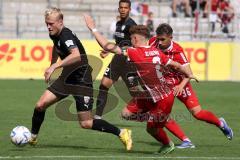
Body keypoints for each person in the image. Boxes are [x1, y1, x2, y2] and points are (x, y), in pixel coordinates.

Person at [84, 14, 198, 154]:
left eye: (131, 39)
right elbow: (176, 64)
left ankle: (168, 143)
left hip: (163, 99)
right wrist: (189, 74)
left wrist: (93, 29)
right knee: (126, 114)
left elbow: (108, 46)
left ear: (136, 39)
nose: (130, 41)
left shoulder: (135, 52)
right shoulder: (156, 51)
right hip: (149, 94)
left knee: (151, 129)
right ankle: (158, 121)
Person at [28, 7, 133, 151]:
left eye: (51, 23)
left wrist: (55, 67)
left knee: (86, 123)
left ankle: (122, 133)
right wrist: (52, 63)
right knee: (40, 105)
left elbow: (76, 54)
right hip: (67, 77)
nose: (48, 26)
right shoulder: (54, 33)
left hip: (81, 80)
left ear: (60, 22)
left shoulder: (66, 35)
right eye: (47, 23)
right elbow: (56, 47)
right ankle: (32, 137)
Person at [149, 23, 233, 148]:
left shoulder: (177, 51)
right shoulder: (153, 43)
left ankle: (220, 124)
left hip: (180, 83)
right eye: (158, 39)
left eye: (163, 39)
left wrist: (181, 86)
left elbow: (189, 74)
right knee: (160, 114)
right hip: (165, 85)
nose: (159, 42)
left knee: (197, 113)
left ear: (171, 37)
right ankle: (186, 141)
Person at [94, 0, 138, 119]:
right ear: (118, 9)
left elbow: (136, 44)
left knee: (134, 92)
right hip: (117, 60)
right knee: (104, 85)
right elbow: (119, 43)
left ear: (129, 10)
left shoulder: (132, 26)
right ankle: (97, 116)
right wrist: (108, 50)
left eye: (125, 8)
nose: (123, 9)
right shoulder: (118, 24)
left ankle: (149, 111)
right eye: (121, 7)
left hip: (128, 62)